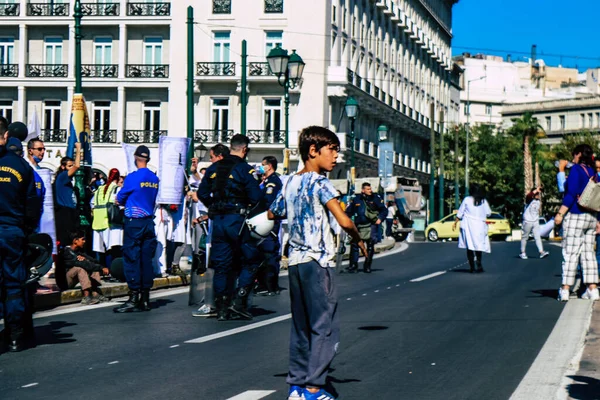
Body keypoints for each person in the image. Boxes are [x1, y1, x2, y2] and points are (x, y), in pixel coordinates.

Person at [268, 125, 367, 400]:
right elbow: (343, 219)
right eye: (332, 150)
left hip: (296, 263)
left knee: (300, 326)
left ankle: (297, 386)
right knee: (324, 326)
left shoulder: (288, 182)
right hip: (318, 261)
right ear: (313, 151)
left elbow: (272, 212)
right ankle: (314, 388)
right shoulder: (322, 183)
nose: (336, 157)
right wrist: (358, 239)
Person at [197, 134, 262, 321]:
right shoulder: (245, 170)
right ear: (245, 149)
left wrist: (214, 206)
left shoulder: (214, 168)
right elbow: (256, 198)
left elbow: (202, 193)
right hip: (237, 220)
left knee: (222, 265)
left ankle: (222, 307)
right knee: (251, 259)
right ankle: (239, 302)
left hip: (218, 221)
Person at [0, 124, 41, 352]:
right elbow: (32, 206)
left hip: (12, 227)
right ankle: (15, 334)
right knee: (14, 283)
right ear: (6, 135)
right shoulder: (21, 166)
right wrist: (25, 230)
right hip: (13, 230)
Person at [114, 145, 159, 313]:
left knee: (132, 258)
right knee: (146, 260)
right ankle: (145, 298)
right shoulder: (154, 178)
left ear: (135, 157)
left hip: (134, 222)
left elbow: (120, 198)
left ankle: (133, 297)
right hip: (148, 222)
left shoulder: (133, 177)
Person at [555, 144, 599, 302]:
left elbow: (571, 194)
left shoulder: (576, 170)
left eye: (574, 155)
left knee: (571, 253)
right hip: (591, 216)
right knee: (589, 254)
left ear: (579, 154)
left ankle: (565, 288)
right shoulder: (593, 172)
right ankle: (592, 289)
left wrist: (560, 213)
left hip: (575, 215)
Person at [190, 144, 228, 318]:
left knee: (213, 264)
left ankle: (211, 303)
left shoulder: (218, 173)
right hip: (228, 224)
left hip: (218, 227)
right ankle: (225, 303)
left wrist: (200, 198)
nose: (210, 161)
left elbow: (209, 197)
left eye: (211, 157)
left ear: (219, 157)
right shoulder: (233, 172)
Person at [255, 155, 283, 296]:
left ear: (269, 166)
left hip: (269, 222)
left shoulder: (272, 183)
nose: (261, 167)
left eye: (262, 165)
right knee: (261, 253)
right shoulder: (265, 182)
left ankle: (270, 285)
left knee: (269, 253)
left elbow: (266, 200)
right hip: (262, 221)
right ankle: (263, 283)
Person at [344, 182, 387, 273]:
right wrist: (345, 220)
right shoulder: (356, 199)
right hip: (358, 226)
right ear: (363, 190)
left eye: (370, 189)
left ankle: (367, 265)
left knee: (370, 245)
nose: (370, 191)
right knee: (355, 245)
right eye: (367, 189)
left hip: (371, 225)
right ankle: (353, 265)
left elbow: (384, 210)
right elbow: (349, 211)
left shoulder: (375, 198)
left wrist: (380, 219)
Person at [62, 229, 110, 305]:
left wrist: (86, 260)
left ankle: (95, 293)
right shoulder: (67, 252)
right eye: (82, 239)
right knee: (80, 268)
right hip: (65, 282)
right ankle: (86, 297)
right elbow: (83, 264)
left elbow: (93, 261)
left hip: (73, 279)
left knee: (93, 267)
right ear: (75, 241)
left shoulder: (78, 251)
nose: (84, 241)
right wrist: (101, 268)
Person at [453, 184, 492, 273]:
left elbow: (460, 213)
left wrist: (456, 221)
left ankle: (472, 267)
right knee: (478, 246)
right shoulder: (483, 201)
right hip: (480, 226)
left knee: (469, 246)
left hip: (469, 226)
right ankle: (479, 264)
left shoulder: (467, 200)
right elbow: (488, 213)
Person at [92, 168, 122, 269]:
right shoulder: (116, 189)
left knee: (99, 249)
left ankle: (100, 270)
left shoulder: (99, 189)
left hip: (97, 221)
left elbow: (92, 203)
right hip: (109, 221)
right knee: (111, 247)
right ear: (117, 178)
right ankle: (110, 270)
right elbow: (119, 203)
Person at [53, 143, 82, 249]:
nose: (71, 168)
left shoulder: (69, 180)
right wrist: (78, 149)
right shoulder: (62, 176)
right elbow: (77, 166)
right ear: (63, 167)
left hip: (71, 211)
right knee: (66, 242)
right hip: (65, 212)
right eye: (69, 166)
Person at [519, 187, 549, 259]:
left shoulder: (538, 201)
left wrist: (540, 190)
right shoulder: (529, 200)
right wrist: (535, 191)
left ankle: (541, 252)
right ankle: (523, 252)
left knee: (537, 237)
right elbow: (528, 196)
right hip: (527, 221)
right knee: (525, 237)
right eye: (536, 194)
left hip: (535, 221)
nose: (538, 195)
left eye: (538, 194)